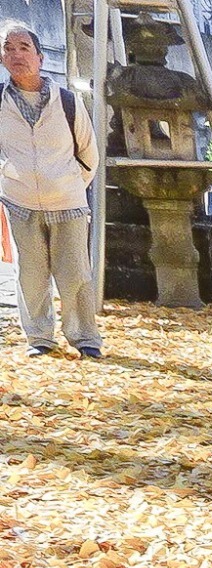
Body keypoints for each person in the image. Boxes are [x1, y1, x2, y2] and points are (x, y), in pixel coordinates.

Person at [0, 22, 101, 359]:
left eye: (24, 48)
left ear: (40, 57)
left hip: (68, 203)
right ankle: (39, 339)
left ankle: (86, 339)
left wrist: (69, 184)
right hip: (20, 201)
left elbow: (89, 154)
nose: (16, 55)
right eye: (8, 48)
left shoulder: (68, 102)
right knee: (30, 276)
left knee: (76, 277)